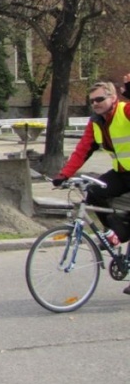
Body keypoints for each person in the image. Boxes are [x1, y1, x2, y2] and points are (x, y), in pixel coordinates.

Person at [52, 77, 130, 275]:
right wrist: (64, 175)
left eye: (100, 99)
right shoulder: (96, 122)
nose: (95, 104)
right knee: (94, 192)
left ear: (113, 98)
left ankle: (120, 233)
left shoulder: (125, 111)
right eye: (92, 101)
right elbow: (83, 149)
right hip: (122, 172)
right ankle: (116, 232)